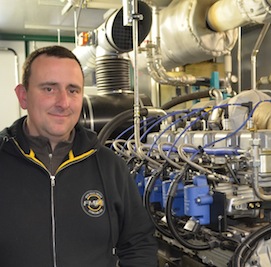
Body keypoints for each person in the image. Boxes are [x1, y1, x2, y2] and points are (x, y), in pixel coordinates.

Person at [0, 45, 158, 267]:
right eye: (49, 89)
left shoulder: (110, 166)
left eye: (73, 90)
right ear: (23, 96)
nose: (63, 102)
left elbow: (139, 244)